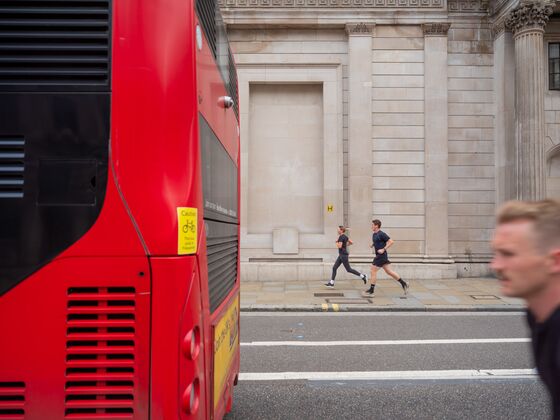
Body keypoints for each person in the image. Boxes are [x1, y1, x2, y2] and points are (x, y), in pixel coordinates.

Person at [491, 199, 560, 419]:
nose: (496, 266)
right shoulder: (537, 314)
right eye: (496, 253)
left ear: (555, 261)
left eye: (509, 254)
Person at [364, 219, 408, 296]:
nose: (371, 226)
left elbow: (391, 241)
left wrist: (383, 249)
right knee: (389, 272)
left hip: (381, 256)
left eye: (372, 225)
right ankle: (404, 283)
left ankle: (371, 290)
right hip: (381, 256)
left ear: (376, 226)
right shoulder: (374, 234)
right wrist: (373, 244)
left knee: (373, 270)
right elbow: (377, 241)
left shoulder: (382, 234)